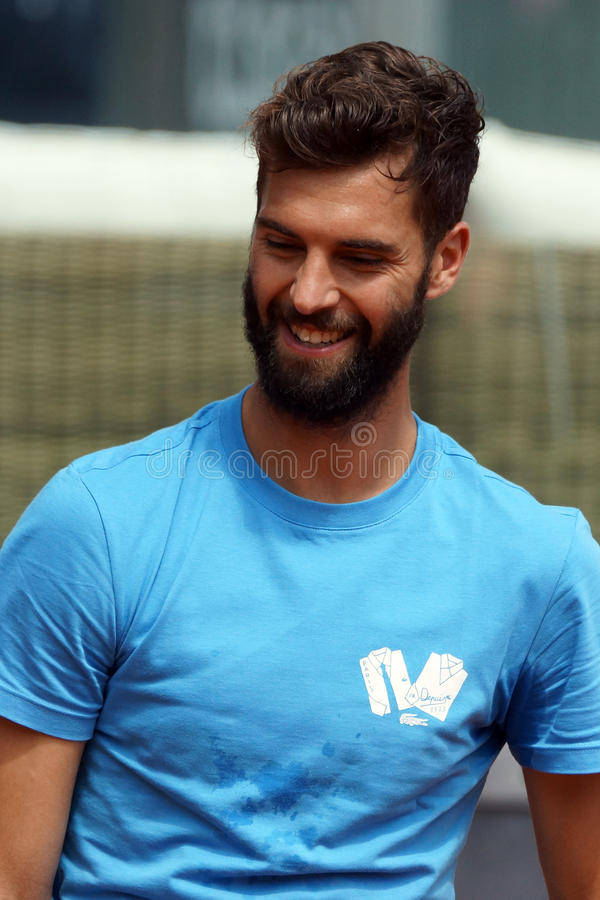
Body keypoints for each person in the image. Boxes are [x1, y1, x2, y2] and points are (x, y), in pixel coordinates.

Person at [0, 41, 599, 900]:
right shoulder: (94, 527)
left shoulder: (536, 565)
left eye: (359, 259)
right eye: (282, 244)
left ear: (446, 260)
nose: (309, 294)